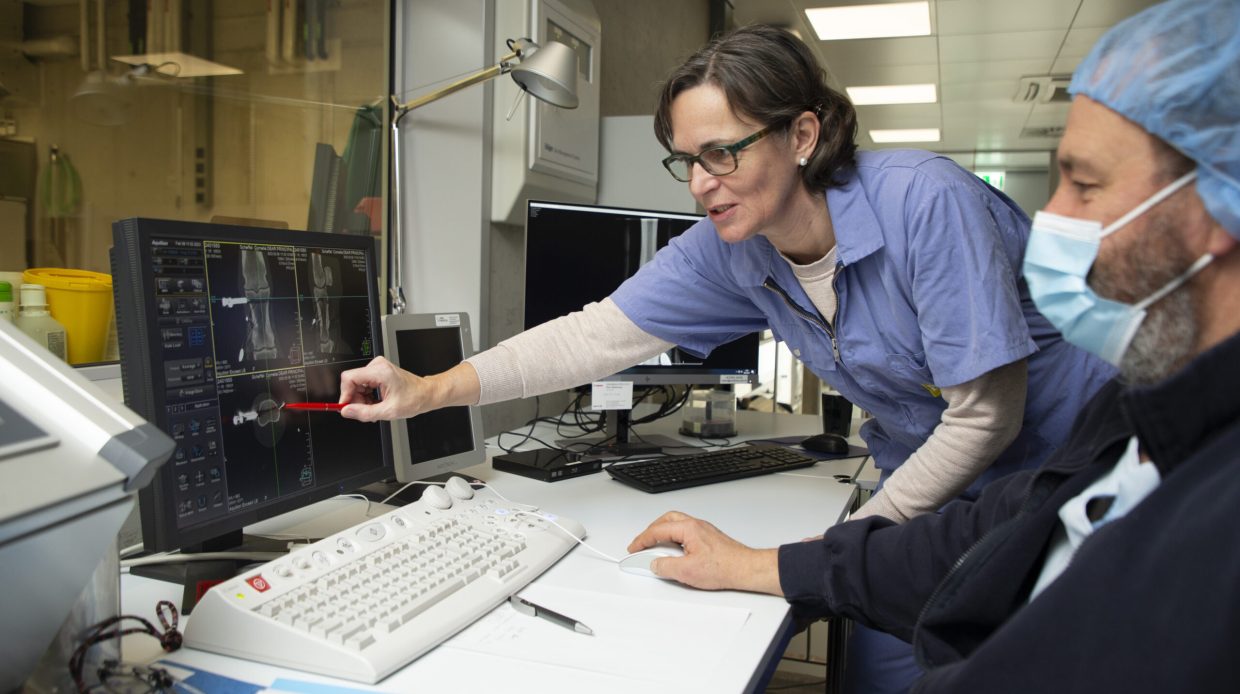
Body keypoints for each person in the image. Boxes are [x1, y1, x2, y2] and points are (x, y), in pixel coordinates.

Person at [340, 23, 1113, 692]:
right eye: (688, 162)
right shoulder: (733, 248)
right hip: (923, 475)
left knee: (1004, 661)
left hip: (1051, 463)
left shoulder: (924, 202)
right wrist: (428, 388)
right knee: (881, 669)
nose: (703, 185)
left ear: (802, 136)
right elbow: (594, 335)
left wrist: (834, 553)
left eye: (723, 154)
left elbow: (987, 416)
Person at [627, 0, 1240, 690]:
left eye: (1087, 185)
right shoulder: (1133, 426)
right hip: (962, 500)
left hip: (1012, 459)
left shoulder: (1202, 525)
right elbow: (998, 528)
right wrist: (765, 565)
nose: (1051, 221)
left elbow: (991, 442)